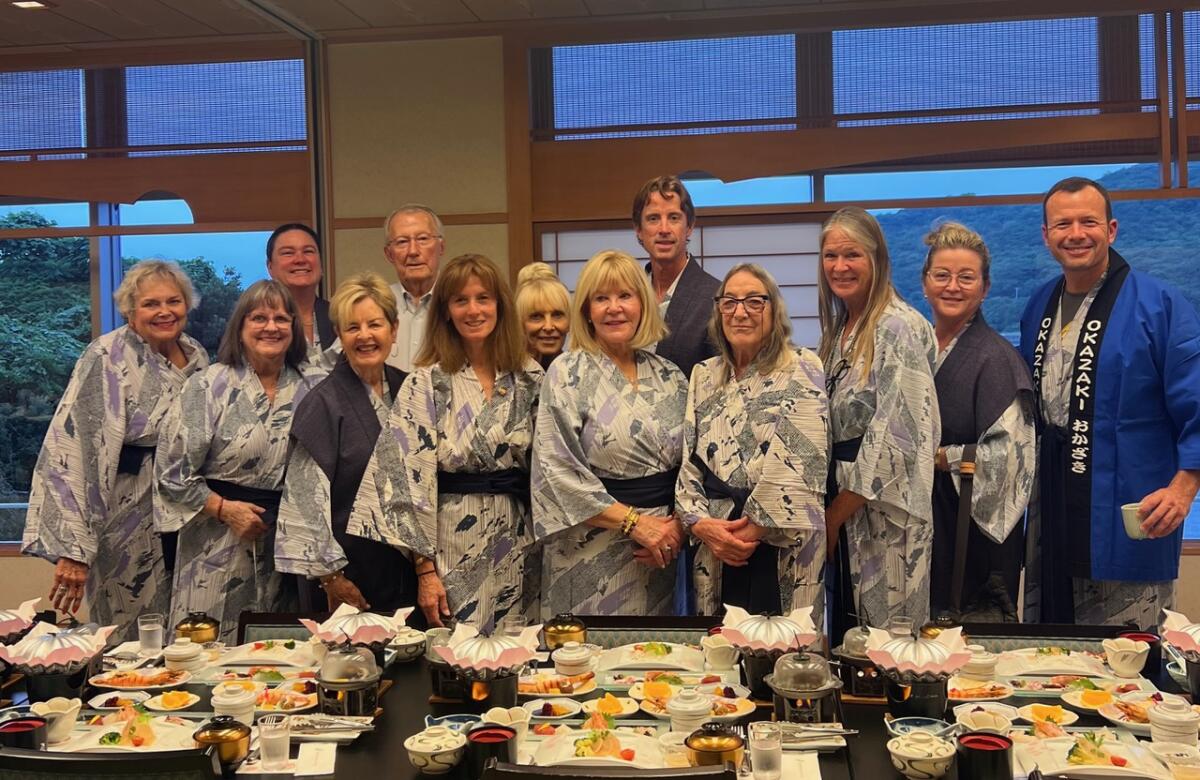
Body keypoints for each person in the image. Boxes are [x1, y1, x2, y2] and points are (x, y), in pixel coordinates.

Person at [1020, 177, 1200, 629]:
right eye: (1062, 224)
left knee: (1128, 659)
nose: (1076, 233)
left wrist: (1184, 488)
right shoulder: (1039, 303)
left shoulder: (1160, 304)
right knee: (1053, 650)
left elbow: (1195, 400)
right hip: (1053, 497)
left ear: (1112, 229)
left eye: (1088, 221)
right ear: (1046, 235)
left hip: (1131, 498)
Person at [348, 254, 540, 629]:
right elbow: (401, 478)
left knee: (519, 653)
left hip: (520, 540)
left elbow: (551, 465)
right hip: (451, 540)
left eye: (483, 298)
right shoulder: (427, 382)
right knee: (459, 656)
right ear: (445, 311)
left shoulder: (530, 377)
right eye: (460, 300)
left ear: (500, 304)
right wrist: (425, 571)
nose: (473, 310)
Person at [22, 261, 208, 640]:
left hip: (189, 512)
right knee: (130, 628)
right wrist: (73, 548)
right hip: (126, 510)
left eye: (173, 301)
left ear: (187, 305)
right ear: (129, 311)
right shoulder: (106, 356)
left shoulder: (198, 356)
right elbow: (75, 448)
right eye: (150, 304)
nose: (164, 311)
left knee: (193, 628)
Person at [155, 280, 320, 644]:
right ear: (240, 328)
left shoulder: (311, 386)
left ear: (294, 327)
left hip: (283, 543)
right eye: (258, 317)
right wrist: (225, 509)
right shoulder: (207, 386)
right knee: (208, 652)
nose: (271, 327)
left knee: (278, 656)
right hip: (215, 539)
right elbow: (172, 472)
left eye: (281, 318)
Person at [531, 249, 686, 618]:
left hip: (659, 549)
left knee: (653, 663)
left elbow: (692, 467)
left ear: (643, 304)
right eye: (601, 298)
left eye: (625, 296)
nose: (614, 308)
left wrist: (677, 527)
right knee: (587, 666)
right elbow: (555, 473)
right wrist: (634, 523)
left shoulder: (671, 375)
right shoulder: (567, 373)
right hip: (589, 548)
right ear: (586, 310)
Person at [675, 263, 829, 616]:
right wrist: (700, 523)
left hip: (783, 541)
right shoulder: (704, 374)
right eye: (729, 302)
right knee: (720, 652)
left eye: (754, 302)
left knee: (788, 653)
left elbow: (803, 457)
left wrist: (751, 529)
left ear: (774, 310)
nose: (740, 312)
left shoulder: (802, 365)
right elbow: (689, 462)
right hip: (716, 540)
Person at [818, 207, 939, 638]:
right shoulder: (840, 329)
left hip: (886, 514)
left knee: (888, 648)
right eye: (830, 256)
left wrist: (832, 517)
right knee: (850, 642)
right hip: (846, 500)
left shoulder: (898, 326)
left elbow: (898, 437)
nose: (840, 266)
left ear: (877, 259)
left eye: (852, 254)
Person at [276, 273, 416, 613]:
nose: (365, 336)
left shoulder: (411, 390)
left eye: (375, 324)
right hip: (349, 571)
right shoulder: (323, 404)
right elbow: (304, 499)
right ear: (339, 334)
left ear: (393, 330)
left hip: (409, 568)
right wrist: (331, 576)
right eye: (352, 327)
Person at [921, 223, 1035, 622]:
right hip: (921, 519)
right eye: (942, 275)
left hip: (970, 530)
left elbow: (1012, 459)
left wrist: (942, 458)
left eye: (966, 277)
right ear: (925, 283)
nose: (953, 286)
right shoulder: (915, 349)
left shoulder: (997, 358)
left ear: (984, 288)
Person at [634, 175, 720, 378]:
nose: (664, 229)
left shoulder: (716, 296)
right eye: (653, 218)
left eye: (674, 218)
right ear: (639, 230)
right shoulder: (628, 294)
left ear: (689, 226)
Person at [383, 204, 445, 372]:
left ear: (441, 247)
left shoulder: (459, 301)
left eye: (423, 239)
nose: (413, 251)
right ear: (389, 254)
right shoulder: (376, 303)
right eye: (402, 242)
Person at [265, 223, 336, 364]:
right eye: (288, 253)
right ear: (270, 267)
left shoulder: (340, 317)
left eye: (308, 251)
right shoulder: (257, 324)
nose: (300, 260)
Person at [515, 262, 570, 369]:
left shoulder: (579, 373)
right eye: (536, 317)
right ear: (520, 323)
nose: (548, 327)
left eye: (557, 315)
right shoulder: (506, 374)